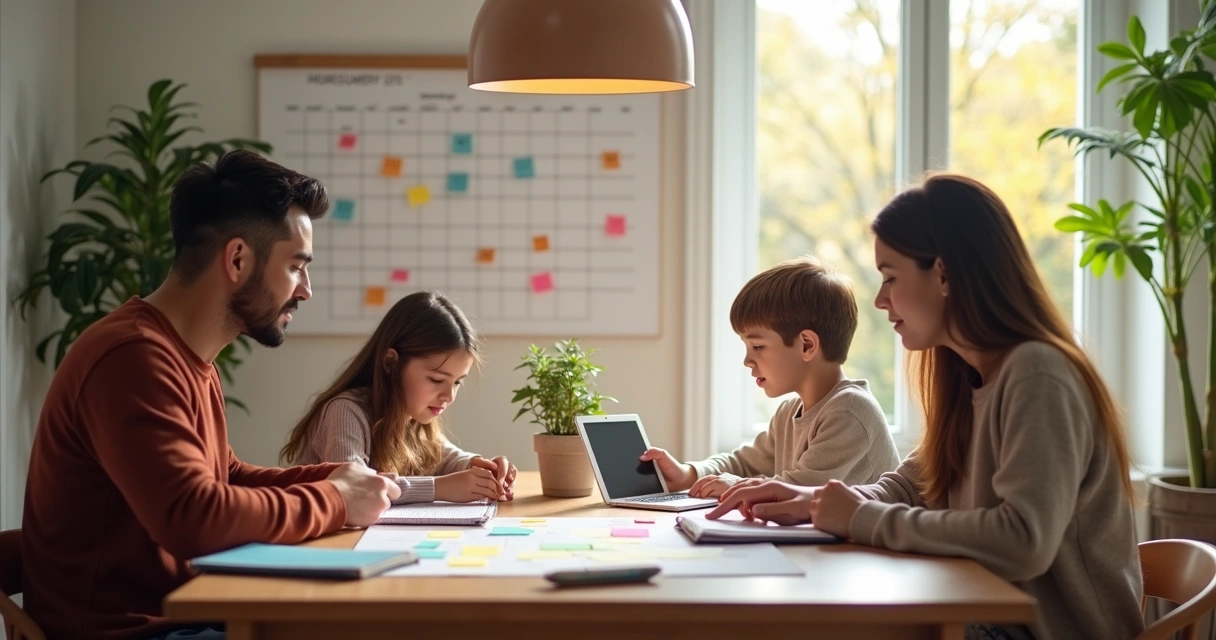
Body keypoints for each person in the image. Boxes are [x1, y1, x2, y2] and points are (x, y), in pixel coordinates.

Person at [709, 174, 1144, 640]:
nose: (880, 300)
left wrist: (858, 517)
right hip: (987, 615)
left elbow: (1023, 542)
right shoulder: (967, 375)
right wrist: (814, 503)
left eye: (890, 277)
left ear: (943, 274)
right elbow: (911, 485)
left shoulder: (1037, 373)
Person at [22, 150, 401, 640]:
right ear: (238, 259)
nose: (306, 289)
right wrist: (333, 499)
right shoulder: (132, 357)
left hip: (186, 614)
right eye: (296, 267)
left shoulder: (186, 357)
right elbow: (192, 517)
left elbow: (226, 477)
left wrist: (337, 476)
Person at [640, 256, 898, 498]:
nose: (747, 360)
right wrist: (687, 474)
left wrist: (735, 485)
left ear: (807, 345)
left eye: (758, 347)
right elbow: (742, 463)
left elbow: (799, 490)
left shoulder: (849, 412)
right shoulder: (788, 413)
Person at [281, 291, 517, 503]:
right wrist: (438, 488)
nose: (449, 395)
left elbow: (443, 456)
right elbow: (355, 489)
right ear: (391, 363)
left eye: (457, 382)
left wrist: (477, 466)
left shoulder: (411, 412)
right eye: (436, 380)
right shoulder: (345, 411)